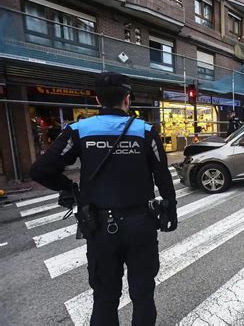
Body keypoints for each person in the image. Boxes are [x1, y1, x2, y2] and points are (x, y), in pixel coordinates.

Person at [30, 72, 177, 325]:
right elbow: (163, 176)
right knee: (143, 295)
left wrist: (70, 188)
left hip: (99, 228)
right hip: (141, 224)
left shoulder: (78, 130)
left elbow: (40, 170)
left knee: (105, 297)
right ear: (127, 99)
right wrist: (171, 211)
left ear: (98, 99)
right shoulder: (146, 131)